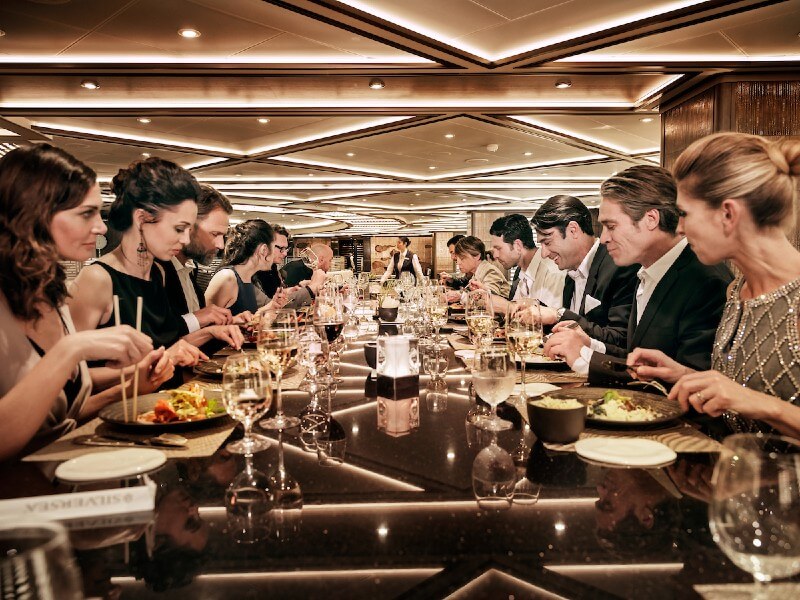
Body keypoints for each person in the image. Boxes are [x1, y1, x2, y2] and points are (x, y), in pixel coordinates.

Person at [0, 145, 170, 460]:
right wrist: (73, 348)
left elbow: (67, 418)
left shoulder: (51, 292)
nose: (102, 227)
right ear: (34, 213)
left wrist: (135, 384)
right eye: (86, 213)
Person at [627, 133, 800, 438]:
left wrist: (764, 406)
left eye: (685, 214)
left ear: (728, 214)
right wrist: (688, 376)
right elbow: (739, 396)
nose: (679, 227)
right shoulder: (737, 290)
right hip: (733, 479)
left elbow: (753, 400)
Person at [544, 165, 731, 381]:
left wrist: (585, 360)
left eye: (611, 226)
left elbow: (695, 384)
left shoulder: (704, 280)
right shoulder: (647, 271)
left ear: (651, 219)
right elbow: (638, 359)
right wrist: (589, 344)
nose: (603, 238)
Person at [69, 157, 243, 366]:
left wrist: (211, 332)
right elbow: (72, 378)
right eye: (179, 229)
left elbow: (167, 347)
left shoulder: (158, 272)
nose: (186, 239)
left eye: (189, 230)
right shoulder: (97, 279)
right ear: (142, 220)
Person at [531, 195, 638, 348]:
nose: (544, 253)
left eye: (547, 242)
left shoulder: (618, 266)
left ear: (573, 230)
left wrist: (558, 315)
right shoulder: (570, 276)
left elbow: (620, 339)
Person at [160, 183, 235, 332]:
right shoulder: (155, 270)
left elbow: (192, 332)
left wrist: (227, 324)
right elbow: (159, 335)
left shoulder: (190, 269)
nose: (220, 245)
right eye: (215, 234)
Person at [481, 214, 565, 314]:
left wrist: (506, 307)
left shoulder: (552, 272)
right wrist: (490, 295)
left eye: (498, 248)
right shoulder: (520, 271)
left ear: (518, 246)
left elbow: (550, 321)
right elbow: (517, 308)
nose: (495, 255)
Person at [204, 219, 287, 315]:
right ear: (263, 250)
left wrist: (271, 306)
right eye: (273, 248)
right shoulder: (227, 277)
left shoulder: (247, 277)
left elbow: (244, 320)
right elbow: (206, 324)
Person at [253, 224, 325, 309]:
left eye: (286, 249)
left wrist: (289, 291)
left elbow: (276, 297)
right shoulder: (248, 274)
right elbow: (271, 308)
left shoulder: (273, 269)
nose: (285, 253)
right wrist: (311, 288)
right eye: (281, 248)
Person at [447, 236, 509, 300]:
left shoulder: (490, 271)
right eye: (458, 258)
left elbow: (490, 300)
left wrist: (461, 296)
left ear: (477, 256)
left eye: (462, 258)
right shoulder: (476, 272)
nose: (458, 262)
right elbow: (468, 292)